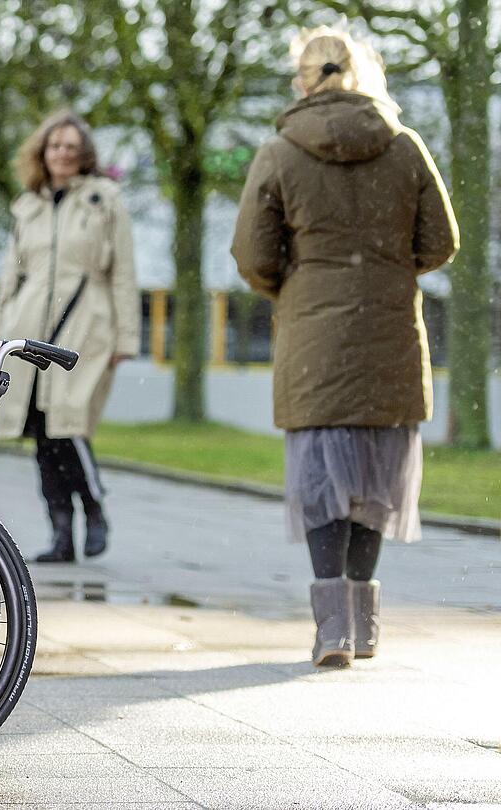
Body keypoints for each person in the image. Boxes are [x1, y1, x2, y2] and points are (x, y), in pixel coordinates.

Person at [231, 27, 457, 667]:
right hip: (389, 332)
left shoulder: (279, 152)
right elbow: (440, 243)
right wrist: (386, 267)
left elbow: (253, 255)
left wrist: (296, 284)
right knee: (375, 481)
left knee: (321, 482)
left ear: (302, 80)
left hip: (314, 339)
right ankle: (365, 627)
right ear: (364, 72)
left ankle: (331, 630)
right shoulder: (405, 147)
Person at [0, 111, 139, 563]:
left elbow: (124, 273)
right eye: (56, 145)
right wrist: (0, 340)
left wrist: (125, 339)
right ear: (43, 151)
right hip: (31, 330)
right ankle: (60, 535)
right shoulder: (27, 206)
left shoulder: (104, 199)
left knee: (69, 427)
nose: (63, 153)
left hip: (87, 328)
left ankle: (94, 511)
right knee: (43, 437)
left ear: (84, 153)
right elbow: (11, 278)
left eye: (72, 146)